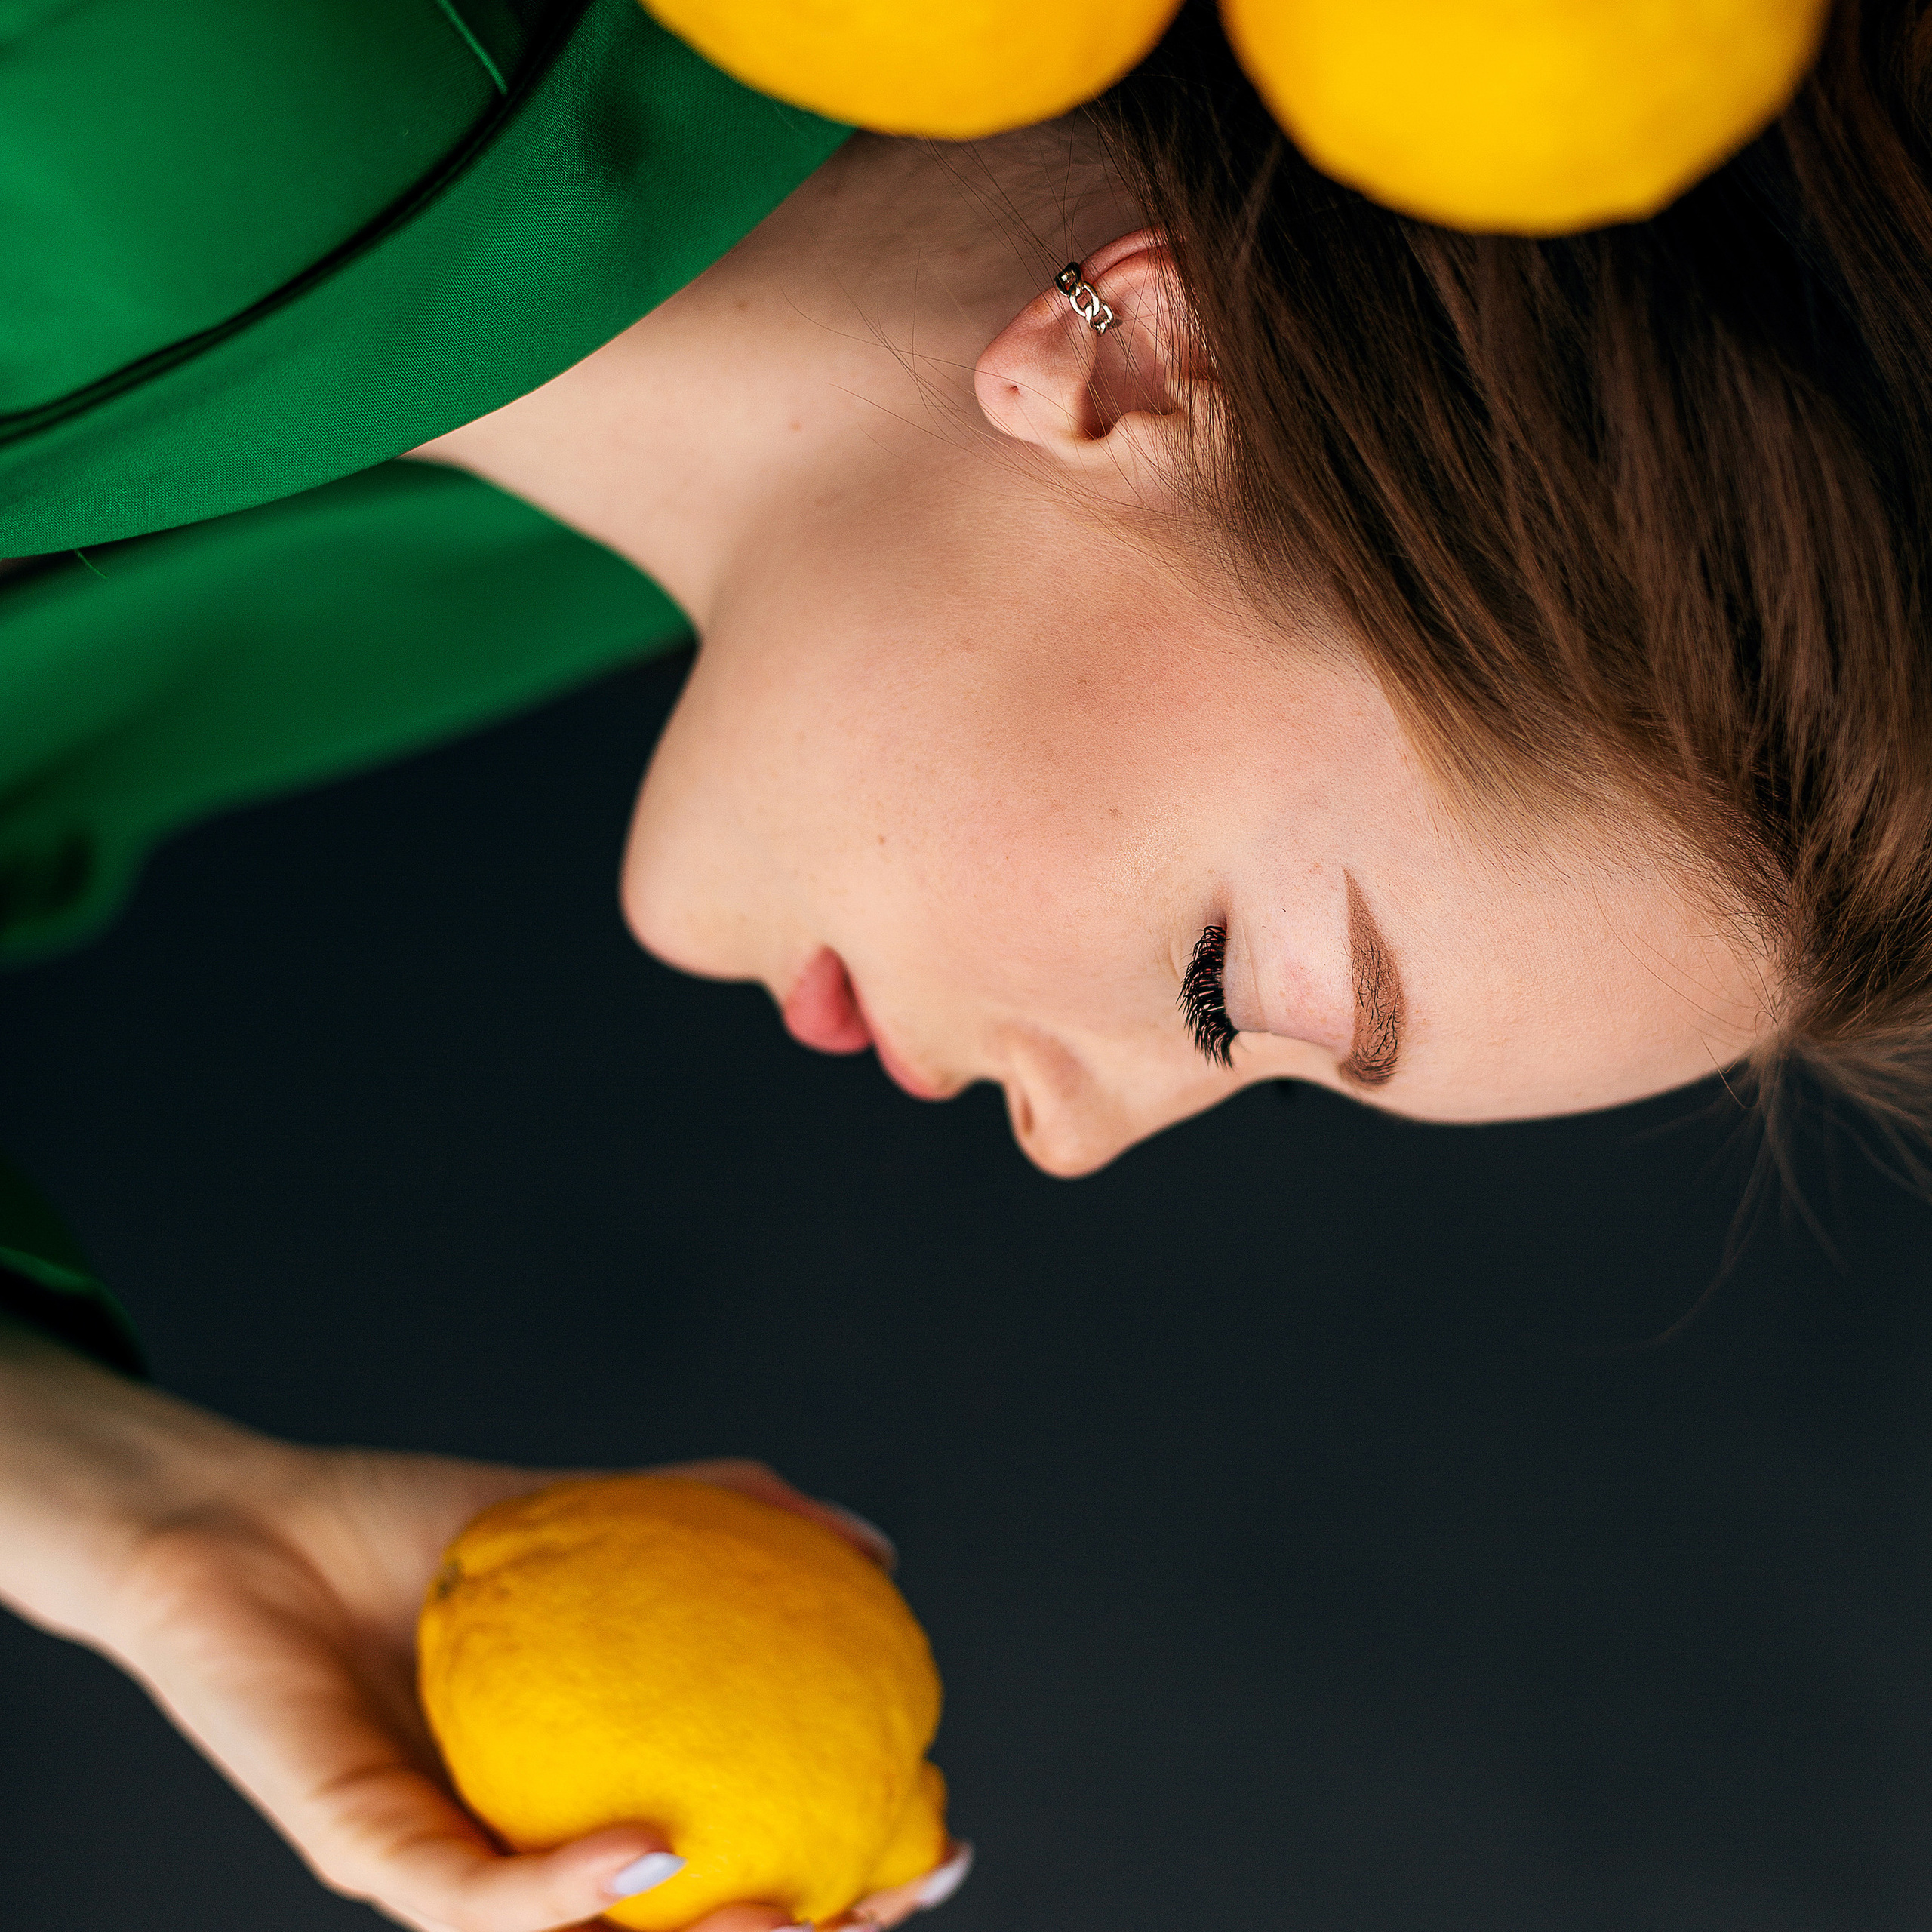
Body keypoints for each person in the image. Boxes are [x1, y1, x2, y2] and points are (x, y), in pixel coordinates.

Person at [3, 0, 1930, 1927]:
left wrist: (139, 1514)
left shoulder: (600, 561)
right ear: (1141, 373)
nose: (1072, 1145)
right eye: (1216, 988)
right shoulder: (201, 60)